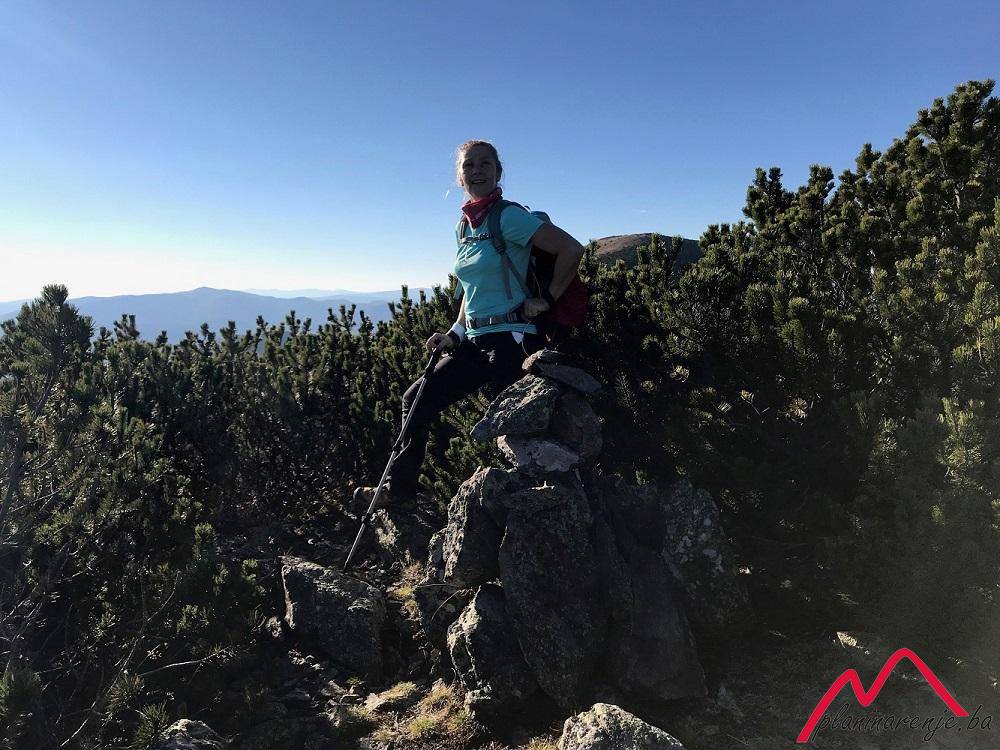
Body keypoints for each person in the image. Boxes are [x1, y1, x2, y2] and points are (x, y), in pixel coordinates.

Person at [355, 140, 586, 510]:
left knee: (514, 426)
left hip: (512, 337)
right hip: (475, 339)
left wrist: (548, 298)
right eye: (469, 165)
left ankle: (549, 501)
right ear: (459, 176)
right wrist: (455, 332)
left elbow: (571, 249)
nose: (477, 170)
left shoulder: (509, 217)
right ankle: (399, 494)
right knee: (416, 399)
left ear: (498, 171)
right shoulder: (464, 227)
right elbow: (470, 289)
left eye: (485, 164)